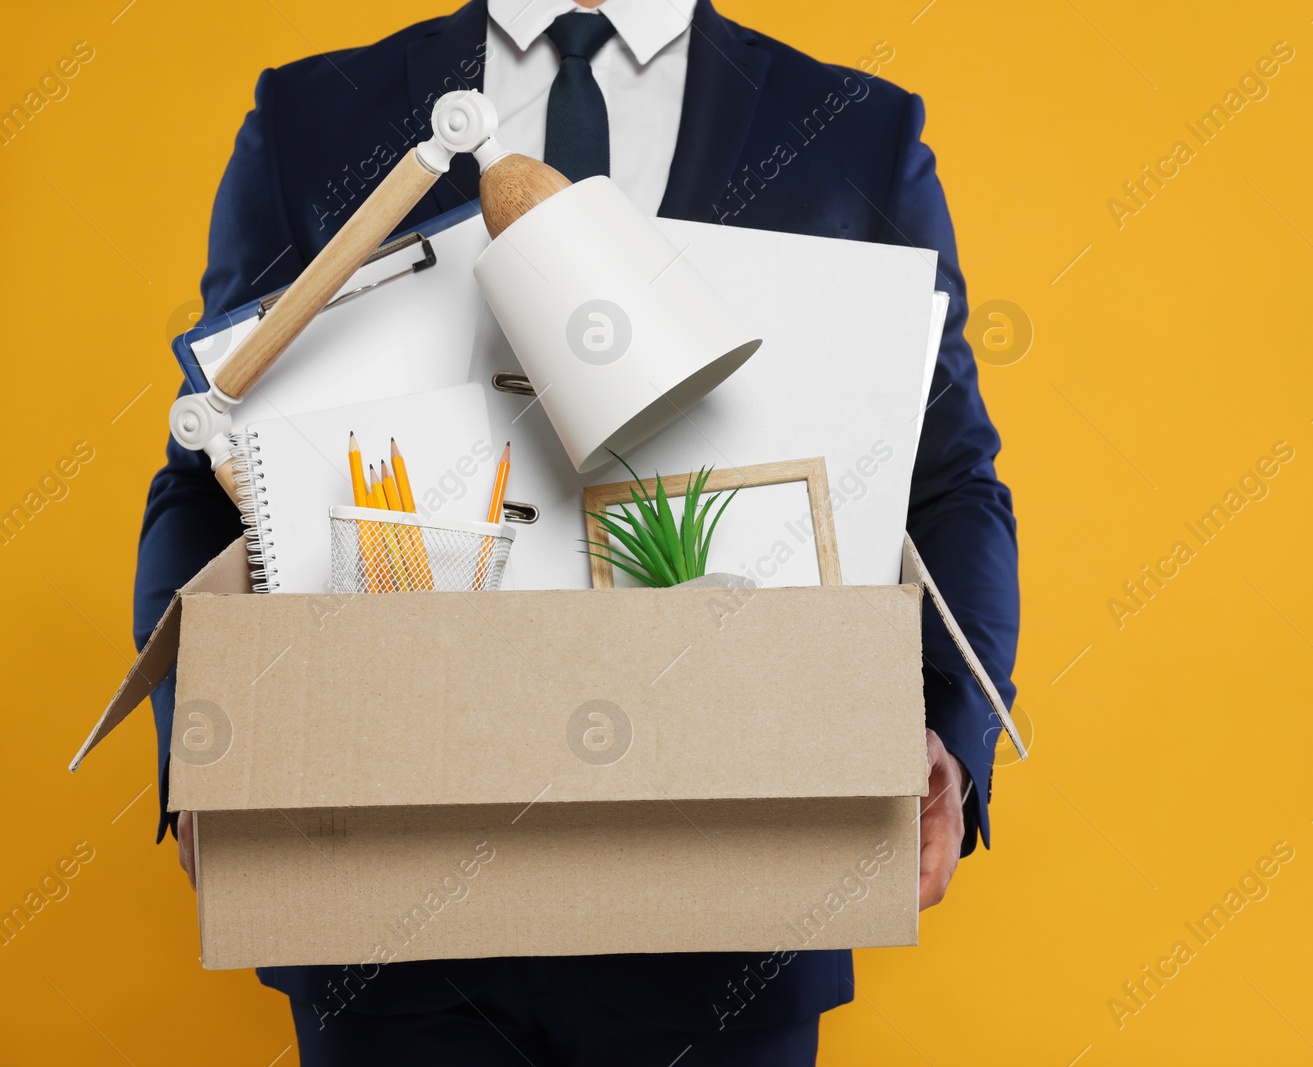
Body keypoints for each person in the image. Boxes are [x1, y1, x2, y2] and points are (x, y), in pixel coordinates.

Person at [134, 0, 1019, 1062]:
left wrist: (949, 731)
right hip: (381, 910)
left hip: (733, 904)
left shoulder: (851, 128)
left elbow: (951, 479)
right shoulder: (314, 115)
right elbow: (205, 472)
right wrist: (207, 745)